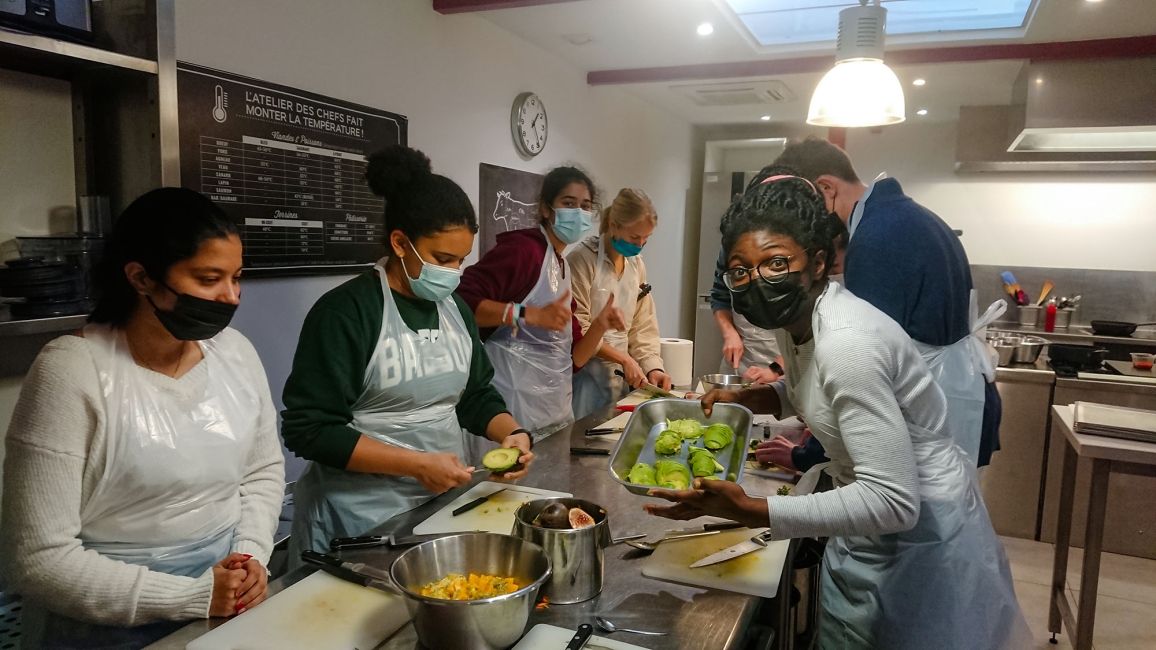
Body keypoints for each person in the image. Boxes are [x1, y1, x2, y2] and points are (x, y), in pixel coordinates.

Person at [644, 174, 1030, 649]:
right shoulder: (802, 316)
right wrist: (760, 396)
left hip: (917, 545)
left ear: (820, 262)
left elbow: (892, 501)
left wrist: (753, 509)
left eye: (777, 263)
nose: (757, 282)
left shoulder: (848, 342)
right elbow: (816, 384)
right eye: (741, 271)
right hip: (871, 533)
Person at [0, 188, 285, 649]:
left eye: (236, 278)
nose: (230, 298)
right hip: (100, 628)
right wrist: (193, 595)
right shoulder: (72, 371)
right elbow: (37, 559)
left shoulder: (235, 355)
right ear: (141, 277)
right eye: (209, 278)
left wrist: (248, 555)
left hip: (221, 609)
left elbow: (262, 471)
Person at [282, 146, 535, 560]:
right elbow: (309, 429)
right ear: (401, 243)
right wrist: (415, 464)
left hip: (438, 506)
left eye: (461, 260)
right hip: (357, 520)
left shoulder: (454, 311)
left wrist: (510, 432)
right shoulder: (346, 313)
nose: (454, 273)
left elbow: (474, 394)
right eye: (442, 259)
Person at [774, 136, 1003, 467]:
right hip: (958, 397)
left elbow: (867, 372)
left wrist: (807, 456)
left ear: (826, 189)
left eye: (802, 206)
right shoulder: (908, 217)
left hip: (929, 419)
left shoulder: (875, 239)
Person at [456, 166, 624, 453]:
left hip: (553, 414)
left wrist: (599, 326)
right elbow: (461, 305)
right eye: (569, 204)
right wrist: (526, 314)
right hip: (510, 414)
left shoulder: (562, 267)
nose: (579, 213)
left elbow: (573, 359)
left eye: (585, 206)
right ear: (546, 209)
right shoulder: (523, 251)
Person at [568, 188, 671, 419]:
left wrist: (652, 366)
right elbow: (579, 330)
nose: (641, 244)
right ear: (614, 225)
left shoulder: (636, 265)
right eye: (635, 237)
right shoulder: (582, 260)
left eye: (646, 238)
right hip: (584, 377)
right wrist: (623, 358)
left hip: (621, 379)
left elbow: (642, 325)